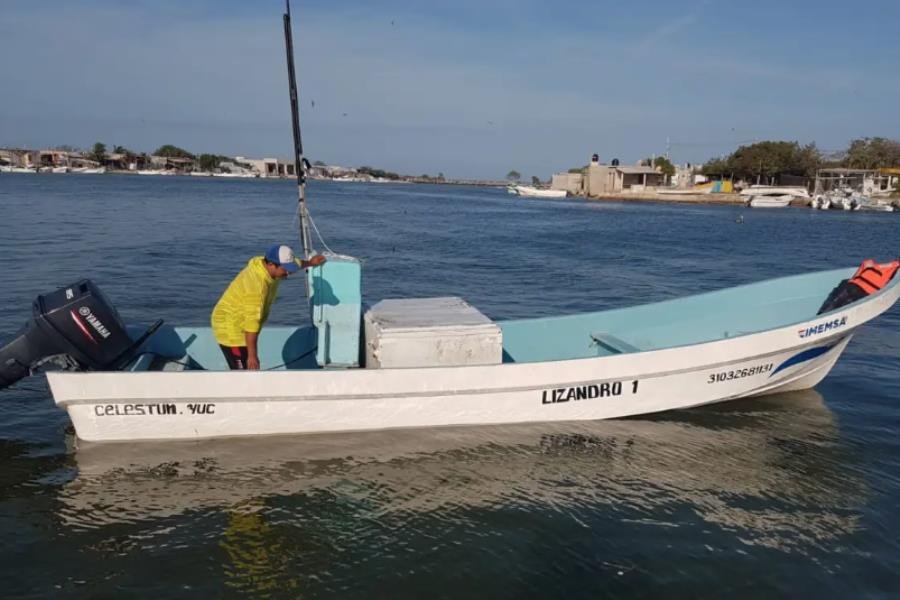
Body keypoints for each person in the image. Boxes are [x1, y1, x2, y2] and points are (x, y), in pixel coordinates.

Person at [212, 245, 326, 370]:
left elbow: (296, 263)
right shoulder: (257, 287)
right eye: (286, 269)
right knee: (245, 372)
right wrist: (252, 356)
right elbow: (251, 324)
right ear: (271, 264)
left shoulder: (270, 266)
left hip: (243, 322)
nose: (288, 273)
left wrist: (310, 262)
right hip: (230, 327)